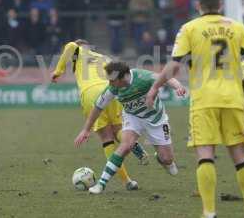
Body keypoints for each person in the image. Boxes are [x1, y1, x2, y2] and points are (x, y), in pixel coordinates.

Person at [146, 0, 244, 218]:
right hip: (233, 99)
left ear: (197, 5)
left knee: (205, 154)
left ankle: (209, 212)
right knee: (240, 156)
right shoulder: (237, 27)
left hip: (204, 100)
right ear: (220, 4)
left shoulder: (189, 28)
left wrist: (156, 86)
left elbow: (175, 65)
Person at [75, 61, 186, 194]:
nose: (110, 84)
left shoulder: (143, 77)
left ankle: (161, 158)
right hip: (133, 118)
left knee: (167, 159)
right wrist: (86, 129)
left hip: (156, 119)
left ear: (123, 78)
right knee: (125, 146)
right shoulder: (113, 88)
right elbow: (98, 108)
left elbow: (166, 77)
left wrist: (178, 86)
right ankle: (101, 184)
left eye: (113, 81)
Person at [51, 40, 148, 191]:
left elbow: (70, 46)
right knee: (118, 131)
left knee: (107, 139)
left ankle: (127, 181)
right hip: (111, 90)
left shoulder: (77, 51)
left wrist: (58, 71)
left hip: (91, 93)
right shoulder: (104, 58)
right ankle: (131, 143)